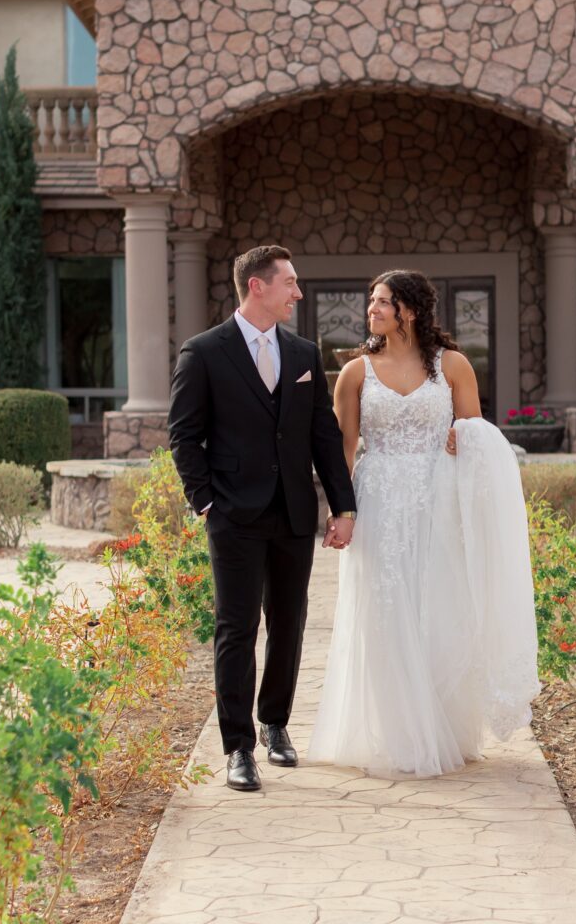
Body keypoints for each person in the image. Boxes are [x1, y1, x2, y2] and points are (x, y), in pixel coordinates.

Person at [308, 269, 540, 777]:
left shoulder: (452, 366)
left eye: (382, 301)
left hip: (438, 501)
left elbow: (472, 435)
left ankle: (443, 730)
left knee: (436, 611)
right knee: (385, 613)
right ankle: (395, 735)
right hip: (379, 503)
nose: (372, 309)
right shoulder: (356, 372)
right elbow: (344, 449)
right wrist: (340, 511)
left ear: (409, 310)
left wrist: (462, 439)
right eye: (372, 301)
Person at [168, 245, 356, 792]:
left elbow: (324, 435)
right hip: (233, 515)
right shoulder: (203, 352)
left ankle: (275, 724)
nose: (298, 292)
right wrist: (206, 501)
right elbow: (184, 436)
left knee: (289, 624)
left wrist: (342, 507)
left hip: (294, 512)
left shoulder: (302, 354)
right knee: (236, 627)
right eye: (290, 283)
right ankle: (238, 747)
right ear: (257, 285)